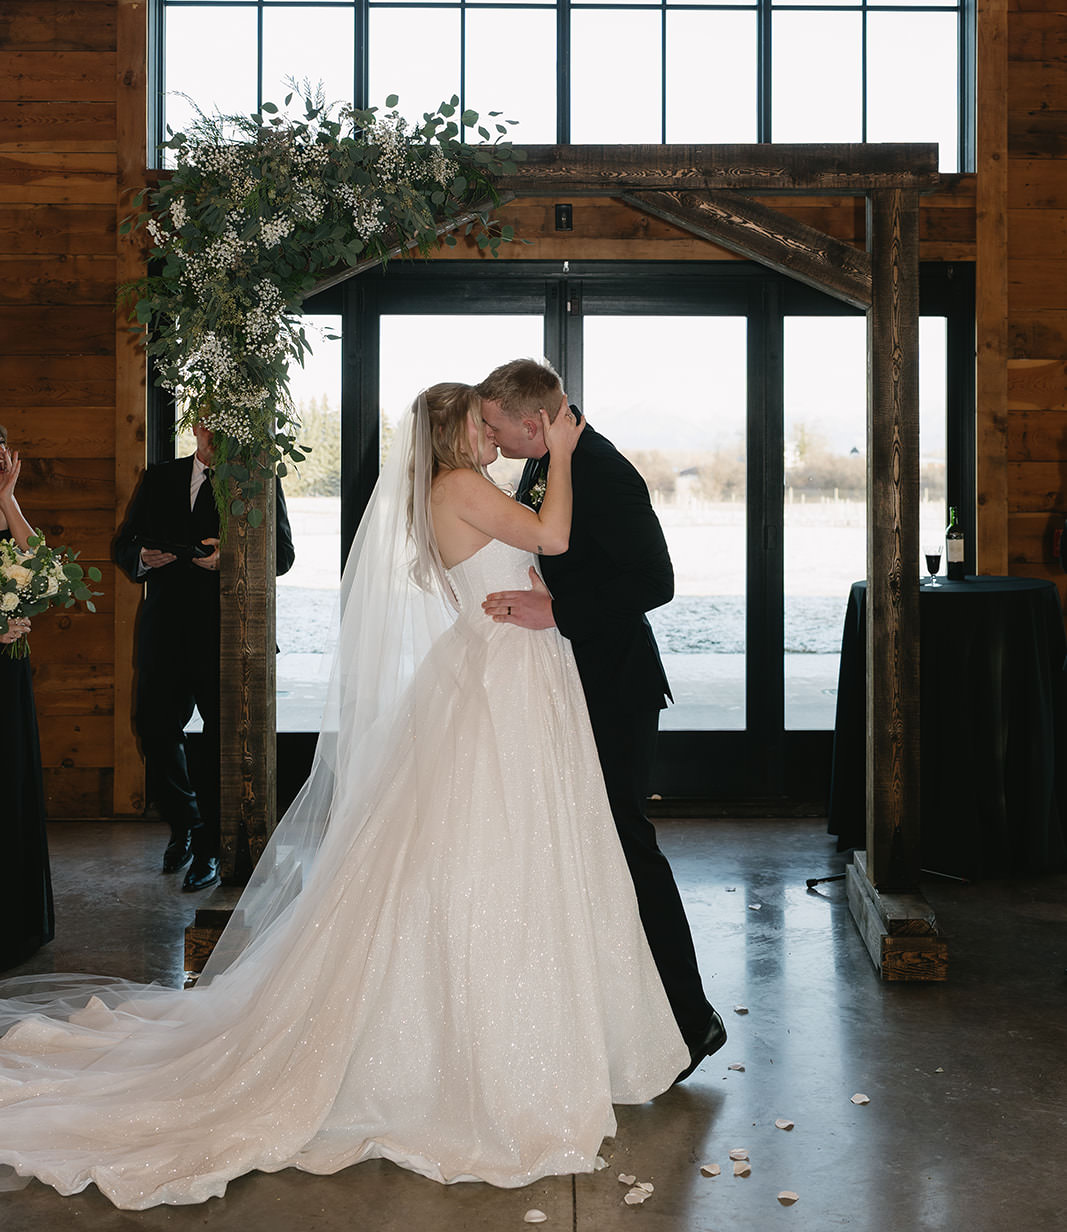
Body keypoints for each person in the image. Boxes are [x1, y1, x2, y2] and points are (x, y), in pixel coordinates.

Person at [0, 384, 688, 1207]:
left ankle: (543, 1025)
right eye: (481, 419)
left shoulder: (461, 489)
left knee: (512, 844)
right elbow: (554, 536)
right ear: (456, 429)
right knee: (491, 844)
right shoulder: (458, 487)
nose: (493, 431)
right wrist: (567, 456)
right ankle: (473, 1040)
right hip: (502, 675)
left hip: (509, 671)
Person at [477, 359, 725, 1080]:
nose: (486, 434)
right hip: (567, 680)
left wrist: (558, 611)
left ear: (531, 424)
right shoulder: (553, 458)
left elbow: (655, 581)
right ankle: (610, 1010)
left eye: (494, 424)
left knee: (625, 845)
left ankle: (689, 1019)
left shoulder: (603, 471)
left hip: (613, 687)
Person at [113, 422, 295, 892]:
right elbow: (124, 543)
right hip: (164, 632)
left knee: (221, 744)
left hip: (227, 634)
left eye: (228, 427)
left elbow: (282, 555)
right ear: (196, 426)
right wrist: (142, 557)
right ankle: (188, 824)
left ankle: (211, 848)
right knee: (153, 730)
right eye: (211, 425)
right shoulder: (160, 477)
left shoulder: (256, 481)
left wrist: (230, 557)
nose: (217, 435)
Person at [0, 429, 55, 971]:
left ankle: (13, 923)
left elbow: (39, 568)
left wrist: (9, 498)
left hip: (7, 673)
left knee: (9, 782)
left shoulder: (4, 507)